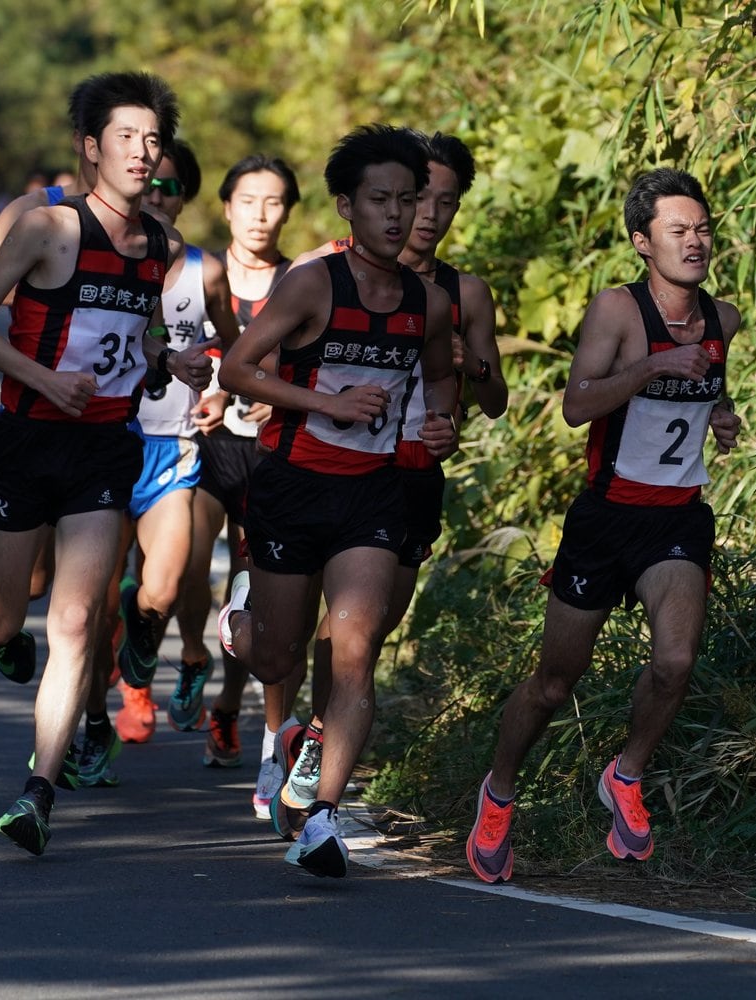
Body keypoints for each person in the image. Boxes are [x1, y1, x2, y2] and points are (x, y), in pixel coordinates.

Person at [0, 71, 211, 857]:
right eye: (126, 138)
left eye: (153, 140)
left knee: (74, 621)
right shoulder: (49, 229)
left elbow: (140, 341)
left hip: (105, 447)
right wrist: (44, 380)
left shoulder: (162, 249)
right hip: (27, 437)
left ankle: (39, 791)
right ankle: (2, 641)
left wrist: (180, 361)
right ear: (90, 148)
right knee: (8, 612)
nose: (142, 153)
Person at [463, 168, 743, 884]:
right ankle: (498, 793)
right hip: (606, 517)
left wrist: (720, 414)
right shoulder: (617, 311)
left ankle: (625, 774)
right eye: (678, 231)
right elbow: (578, 405)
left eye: (702, 228)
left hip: (677, 518)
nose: (695, 241)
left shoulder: (723, 319)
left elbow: (707, 392)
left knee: (675, 661)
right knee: (555, 683)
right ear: (642, 242)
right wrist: (652, 368)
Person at [216, 124, 459, 877]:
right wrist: (324, 402)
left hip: (373, 494)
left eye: (407, 199)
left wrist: (440, 420)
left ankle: (320, 817)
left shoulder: (429, 300)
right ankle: (237, 629)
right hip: (292, 486)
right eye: (379, 199)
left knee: (354, 654)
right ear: (347, 207)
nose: (397, 214)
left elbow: (439, 375)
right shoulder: (313, 282)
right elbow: (237, 371)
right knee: (280, 653)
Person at [277, 131, 511, 824]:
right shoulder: (332, 273)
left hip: (410, 479)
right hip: (324, 471)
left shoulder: (465, 293)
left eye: (446, 202)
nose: (430, 215)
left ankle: (319, 741)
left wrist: (470, 369)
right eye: (420, 198)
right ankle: (311, 739)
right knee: (334, 634)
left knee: (365, 634)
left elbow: (493, 400)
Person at [171, 155, 311, 817]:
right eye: (249, 200)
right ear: (226, 207)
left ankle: (230, 705)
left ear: (289, 211)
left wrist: (278, 400)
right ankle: (191, 654)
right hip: (203, 449)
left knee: (249, 598)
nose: (261, 213)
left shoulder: (305, 284)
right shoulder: (194, 276)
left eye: (275, 201)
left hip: (274, 461)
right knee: (185, 570)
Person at [0, 82, 97, 624]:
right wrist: (55, 298)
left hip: (114, 420)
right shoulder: (40, 214)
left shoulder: (153, 234)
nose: (146, 166)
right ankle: (7, 624)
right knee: (28, 584)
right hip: (39, 410)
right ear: (87, 144)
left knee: (84, 603)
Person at [106, 140, 239, 750]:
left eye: (170, 187)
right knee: (100, 594)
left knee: (163, 583)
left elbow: (234, 351)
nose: (157, 196)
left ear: (186, 196)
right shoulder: (99, 258)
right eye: (149, 185)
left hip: (175, 443)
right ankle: (108, 716)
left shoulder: (205, 270)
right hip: (107, 437)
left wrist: (223, 392)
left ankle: (181, 657)